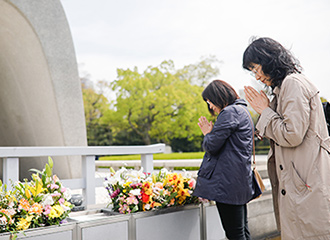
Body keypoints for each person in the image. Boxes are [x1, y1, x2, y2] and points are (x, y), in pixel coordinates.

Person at [243, 37, 330, 239]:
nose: (256, 77)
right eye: (252, 72)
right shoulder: (285, 87)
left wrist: (264, 110)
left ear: (268, 60)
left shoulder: (293, 83)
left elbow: (292, 135)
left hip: (306, 188)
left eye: (256, 69)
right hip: (304, 186)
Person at [193, 80, 257, 240]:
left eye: (210, 102)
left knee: (234, 234)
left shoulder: (229, 113)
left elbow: (211, 146)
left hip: (227, 184)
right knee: (242, 231)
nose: (211, 107)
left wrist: (207, 133)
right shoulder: (242, 110)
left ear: (218, 97)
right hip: (239, 181)